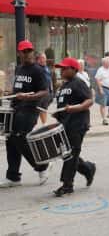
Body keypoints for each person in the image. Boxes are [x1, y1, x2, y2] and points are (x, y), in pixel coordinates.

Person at [0, 40, 50, 188]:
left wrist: (28, 97)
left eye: (30, 51)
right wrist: (10, 94)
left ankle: (42, 167)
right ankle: (13, 177)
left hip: (30, 109)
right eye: (25, 51)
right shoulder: (19, 69)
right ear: (19, 53)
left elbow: (44, 91)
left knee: (20, 138)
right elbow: (18, 88)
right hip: (16, 108)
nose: (28, 54)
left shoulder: (38, 70)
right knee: (11, 140)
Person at [52, 57, 96, 197]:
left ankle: (67, 185)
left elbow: (89, 101)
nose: (62, 71)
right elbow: (63, 107)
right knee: (69, 153)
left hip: (78, 124)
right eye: (61, 68)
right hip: (66, 125)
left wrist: (76, 108)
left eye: (64, 68)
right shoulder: (63, 86)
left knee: (71, 154)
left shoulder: (78, 83)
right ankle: (88, 168)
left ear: (73, 69)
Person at [36, 53, 53, 124]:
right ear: (38, 59)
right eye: (43, 58)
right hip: (39, 92)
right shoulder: (36, 68)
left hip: (47, 92)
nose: (45, 60)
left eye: (45, 58)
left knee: (44, 109)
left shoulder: (46, 68)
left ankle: (44, 124)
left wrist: (51, 91)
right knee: (38, 109)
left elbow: (50, 80)